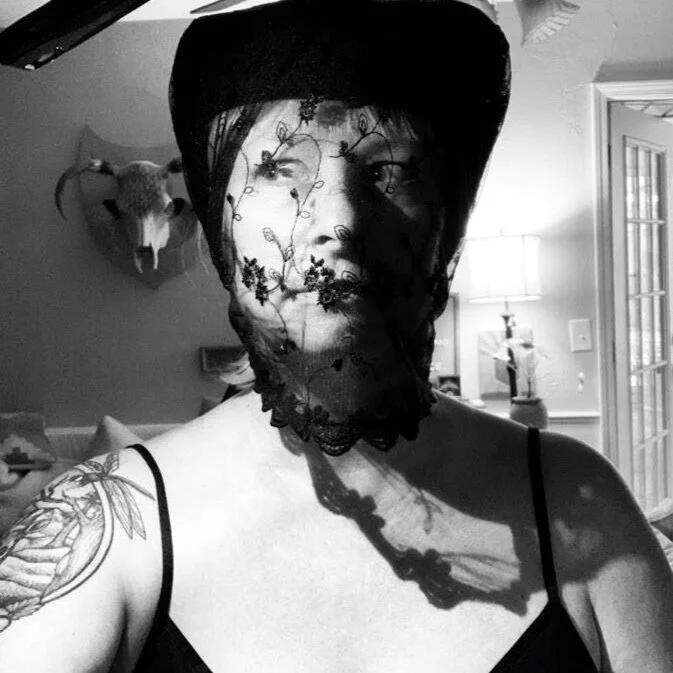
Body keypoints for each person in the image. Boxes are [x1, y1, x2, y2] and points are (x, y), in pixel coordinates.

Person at [1, 1, 672, 671]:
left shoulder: (581, 503)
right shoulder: (105, 528)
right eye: (277, 169)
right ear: (215, 222)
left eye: (390, 170)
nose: (340, 220)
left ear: (449, 217)